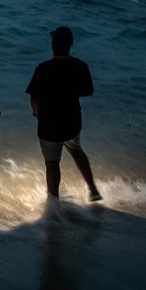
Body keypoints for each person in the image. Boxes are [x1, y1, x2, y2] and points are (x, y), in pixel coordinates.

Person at [26, 27, 102, 202]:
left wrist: (36, 114)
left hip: (49, 125)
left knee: (52, 164)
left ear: (53, 45)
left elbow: (34, 98)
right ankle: (93, 189)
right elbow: (88, 91)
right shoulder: (80, 66)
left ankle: (54, 201)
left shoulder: (43, 68)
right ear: (70, 45)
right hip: (72, 121)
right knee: (75, 149)